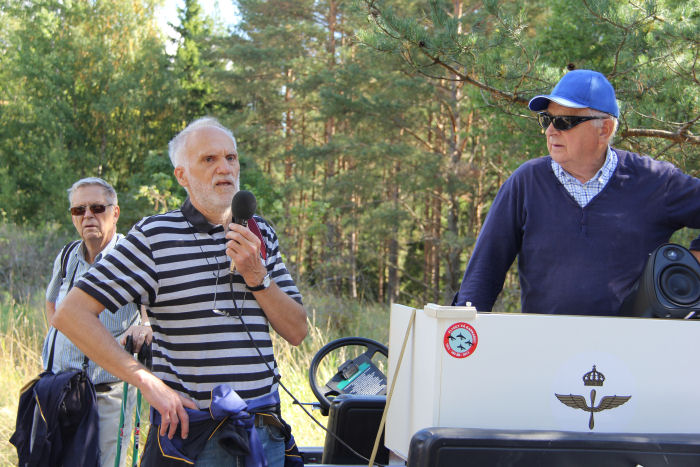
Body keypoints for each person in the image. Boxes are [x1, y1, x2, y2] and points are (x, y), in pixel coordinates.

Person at [52, 117, 308, 466]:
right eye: (209, 159)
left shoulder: (260, 232)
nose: (225, 168)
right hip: (194, 440)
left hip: (262, 432)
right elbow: (70, 314)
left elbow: (297, 331)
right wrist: (146, 381)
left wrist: (257, 276)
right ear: (182, 176)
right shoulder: (155, 236)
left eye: (231, 158)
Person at [452, 69, 700, 315]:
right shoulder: (526, 182)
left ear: (604, 129)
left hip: (630, 349)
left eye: (564, 122)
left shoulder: (655, 181)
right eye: (547, 120)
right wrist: (460, 334)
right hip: (547, 346)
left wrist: (693, 262)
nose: (550, 131)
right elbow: (485, 268)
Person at [42, 177, 152, 466]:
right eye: (79, 210)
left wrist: (146, 325)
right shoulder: (67, 256)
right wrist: (61, 333)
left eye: (97, 208)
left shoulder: (133, 256)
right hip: (59, 389)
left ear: (115, 213)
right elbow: (52, 301)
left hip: (107, 393)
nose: (88, 216)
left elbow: (154, 308)